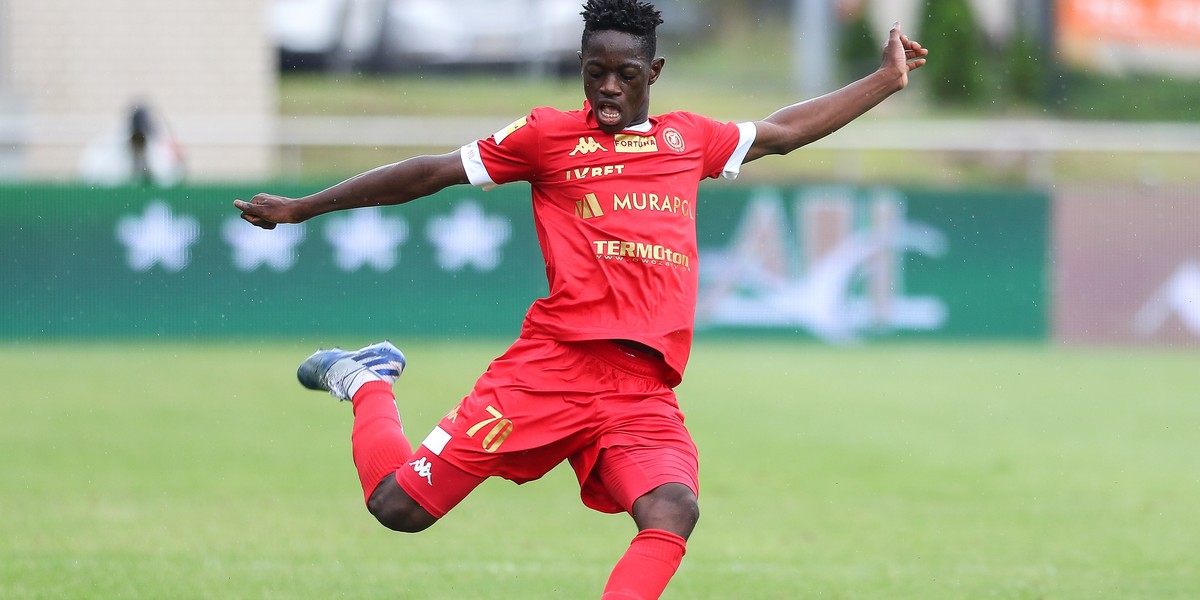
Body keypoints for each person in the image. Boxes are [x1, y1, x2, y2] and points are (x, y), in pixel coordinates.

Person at [234, 1, 927, 597]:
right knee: (398, 509)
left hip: (641, 387)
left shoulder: (689, 139)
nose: (609, 88)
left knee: (673, 508)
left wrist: (885, 80)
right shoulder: (546, 136)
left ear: (654, 72)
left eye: (627, 74)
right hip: (552, 369)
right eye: (595, 73)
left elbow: (785, 132)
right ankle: (366, 382)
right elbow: (430, 173)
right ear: (580, 67)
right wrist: (303, 207)